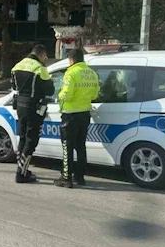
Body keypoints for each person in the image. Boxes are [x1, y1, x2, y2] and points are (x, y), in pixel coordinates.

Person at [53, 48, 99, 188]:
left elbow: (67, 95)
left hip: (70, 114)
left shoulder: (71, 73)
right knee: (80, 146)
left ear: (71, 60)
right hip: (84, 113)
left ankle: (66, 178)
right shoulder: (92, 73)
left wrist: (59, 96)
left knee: (67, 147)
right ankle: (80, 176)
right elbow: (95, 95)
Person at [11, 44, 54, 183]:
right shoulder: (40, 68)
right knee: (31, 140)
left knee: (23, 138)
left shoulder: (17, 65)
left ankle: (22, 168)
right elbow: (50, 90)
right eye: (45, 56)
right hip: (33, 107)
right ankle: (21, 174)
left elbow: (13, 86)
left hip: (20, 105)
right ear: (41, 54)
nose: (45, 58)